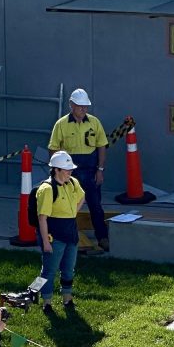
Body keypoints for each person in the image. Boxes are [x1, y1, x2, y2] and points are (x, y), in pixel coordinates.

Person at [48, 88, 110, 254]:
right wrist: (58, 173)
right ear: (71, 105)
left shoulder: (94, 123)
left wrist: (100, 170)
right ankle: (63, 238)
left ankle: (102, 237)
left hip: (90, 171)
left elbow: (102, 146)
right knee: (65, 206)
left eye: (86, 106)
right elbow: (54, 149)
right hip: (69, 172)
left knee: (95, 206)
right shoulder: (61, 125)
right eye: (80, 106)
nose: (83, 109)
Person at [36, 151, 86, 313]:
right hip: (54, 235)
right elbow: (42, 218)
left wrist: (71, 215)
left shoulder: (73, 183)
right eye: (66, 169)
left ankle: (67, 297)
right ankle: (47, 301)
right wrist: (45, 242)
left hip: (71, 232)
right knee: (49, 270)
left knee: (69, 268)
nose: (70, 172)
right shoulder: (47, 189)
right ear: (56, 170)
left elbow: (82, 197)